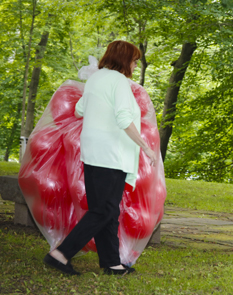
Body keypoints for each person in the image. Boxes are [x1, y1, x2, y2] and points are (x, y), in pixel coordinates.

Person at [43, 40, 156, 275]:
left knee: (107, 210)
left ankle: (111, 263)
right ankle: (60, 254)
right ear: (125, 60)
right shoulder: (119, 81)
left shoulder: (96, 78)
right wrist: (145, 147)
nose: (135, 65)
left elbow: (79, 110)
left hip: (93, 153)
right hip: (111, 154)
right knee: (104, 210)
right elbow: (124, 119)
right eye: (134, 60)